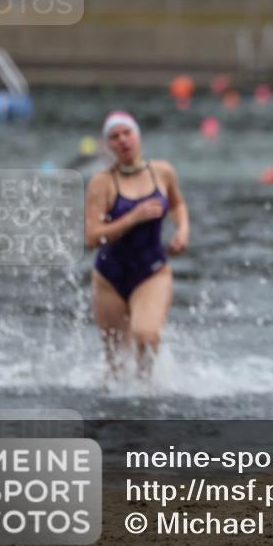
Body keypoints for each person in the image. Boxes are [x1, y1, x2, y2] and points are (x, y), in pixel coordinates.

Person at [84, 111, 189, 380]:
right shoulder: (102, 183)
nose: (122, 141)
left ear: (138, 135)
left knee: (146, 335)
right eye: (114, 137)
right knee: (115, 362)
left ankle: (146, 393)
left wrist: (182, 230)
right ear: (108, 146)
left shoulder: (163, 172)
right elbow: (92, 237)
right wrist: (132, 217)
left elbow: (177, 204)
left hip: (151, 272)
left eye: (127, 133)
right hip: (109, 278)